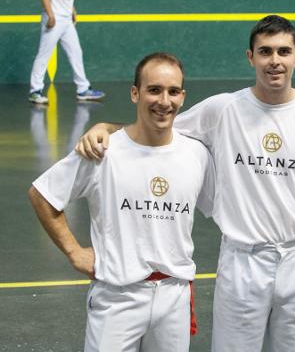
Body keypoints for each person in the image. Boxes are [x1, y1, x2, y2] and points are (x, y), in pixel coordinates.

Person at [75, 15, 295, 352]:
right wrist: (106, 125)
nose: (274, 61)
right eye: (265, 52)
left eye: (282, 51)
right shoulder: (223, 109)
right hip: (242, 262)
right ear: (251, 57)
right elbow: (159, 130)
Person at [29, 52, 215, 351]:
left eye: (173, 91)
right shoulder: (102, 151)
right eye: (154, 90)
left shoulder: (197, 155)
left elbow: (232, 206)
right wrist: (74, 251)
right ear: (135, 93)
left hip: (174, 297)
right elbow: (42, 195)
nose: (164, 101)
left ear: (182, 96)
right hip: (116, 299)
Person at [29, 0, 105, 104]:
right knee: (44, 55)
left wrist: (72, 10)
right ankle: (35, 91)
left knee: (76, 53)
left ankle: (83, 89)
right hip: (54, 19)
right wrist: (50, 15)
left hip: (67, 20)